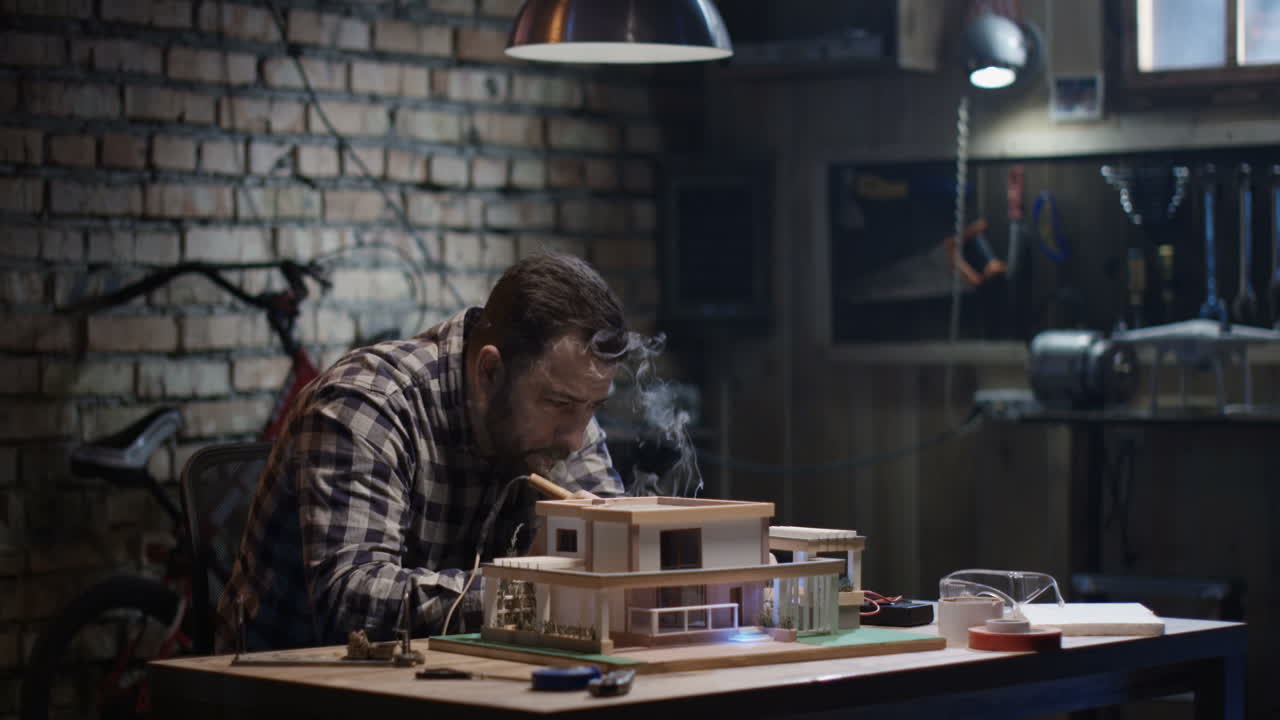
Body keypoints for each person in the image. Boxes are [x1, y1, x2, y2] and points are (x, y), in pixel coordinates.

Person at [217, 252, 630, 650]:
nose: (576, 439)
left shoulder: (564, 417)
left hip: (451, 687)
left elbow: (614, 559)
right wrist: (526, 594)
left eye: (593, 407)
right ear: (490, 372)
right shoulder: (369, 403)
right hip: (288, 698)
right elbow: (350, 603)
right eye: (558, 405)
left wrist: (621, 555)